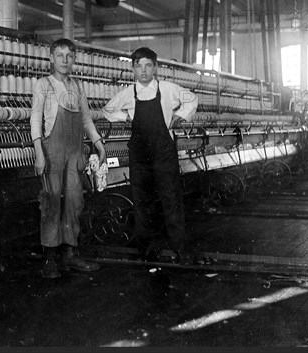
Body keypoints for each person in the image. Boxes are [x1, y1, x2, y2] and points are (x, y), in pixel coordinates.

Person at [103, 47, 198, 262]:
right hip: (140, 154)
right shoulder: (128, 93)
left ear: (155, 67)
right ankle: (146, 250)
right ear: (133, 69)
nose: (143, 71)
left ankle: (179, 248)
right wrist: (127, 118)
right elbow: (107, 110)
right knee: (142, 200)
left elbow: (192, 99)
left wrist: (180, 116)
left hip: (163, 152)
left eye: (148, 65)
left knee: (171, 198)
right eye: (138, 66)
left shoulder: (167, 88)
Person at [30, 38, 106, 279]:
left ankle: (70, 254)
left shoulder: (77, 86)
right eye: (59, 55)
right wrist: (39, 151)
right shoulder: (43, 84)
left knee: (74, 201)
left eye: (69, 56)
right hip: (52, 150)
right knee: (51, 202)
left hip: (75, 151)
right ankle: (50, 258)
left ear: (74, 59)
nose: (64, 60)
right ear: (51, 58)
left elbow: (86, 120)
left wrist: (98, 143)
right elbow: (35, 119)